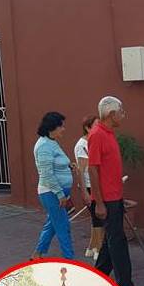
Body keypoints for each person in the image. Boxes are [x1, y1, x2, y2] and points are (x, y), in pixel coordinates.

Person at [89, 96, 144, 286]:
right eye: (121, 111)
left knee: (111, 241)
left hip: (114, 196)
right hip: (107, 199)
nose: (123, 114)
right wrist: (98, 201)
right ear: (111, 114)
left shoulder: (109, 133)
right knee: (118, 242)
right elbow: (93, 169)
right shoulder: (97, 135)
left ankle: (96, 280)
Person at [33, 111, 75, 260]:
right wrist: (60, 195)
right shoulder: (44, 146)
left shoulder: (52, 142)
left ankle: (38, 253)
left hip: (58, 192)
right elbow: (47, 174)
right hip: (51, 193)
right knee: (63, 226)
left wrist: (68, 166)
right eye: (61, 126)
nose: (63, 129)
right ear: (53, 127)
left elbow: (57, 164)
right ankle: (70, 260)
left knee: (52, 225)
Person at [74, 115, 103, 259]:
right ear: (87, 127)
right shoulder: (82, 145)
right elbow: (81, 169)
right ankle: (98, 248)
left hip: (95, 184)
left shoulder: (92, 141)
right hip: (90, 185)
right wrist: (84, 191)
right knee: (97, 219)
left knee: (96, 218)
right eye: (96, 125)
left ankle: (92, 246)